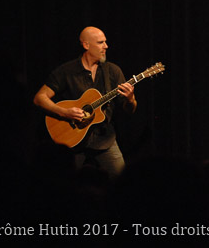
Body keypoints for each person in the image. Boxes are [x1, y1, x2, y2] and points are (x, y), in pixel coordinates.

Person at [33, 26, 137, 178]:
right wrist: (64, 112)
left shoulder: (113, 71)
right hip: (72, 140)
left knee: (122, 179)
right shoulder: (67, 71)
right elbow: (39, 98)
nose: (106, 46)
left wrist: (130, 99)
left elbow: (130, 110)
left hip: (105, 139)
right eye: (101, 42)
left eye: (105, 42)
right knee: (64, 181)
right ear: (86, 45)